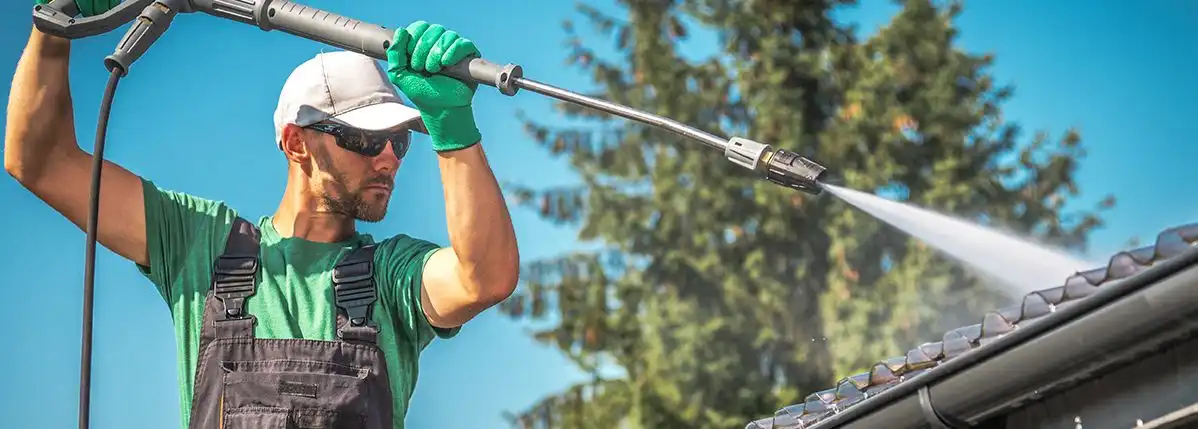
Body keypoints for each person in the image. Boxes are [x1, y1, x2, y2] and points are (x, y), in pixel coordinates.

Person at [6, 2, 520, 428]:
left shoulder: (392, 277)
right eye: (364, 139)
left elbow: (484, 278)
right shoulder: (200, 243)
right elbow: (40, 160)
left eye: (399, 141)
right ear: (297, 143)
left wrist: (452, 126)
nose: (388, 157)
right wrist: (56, 22)